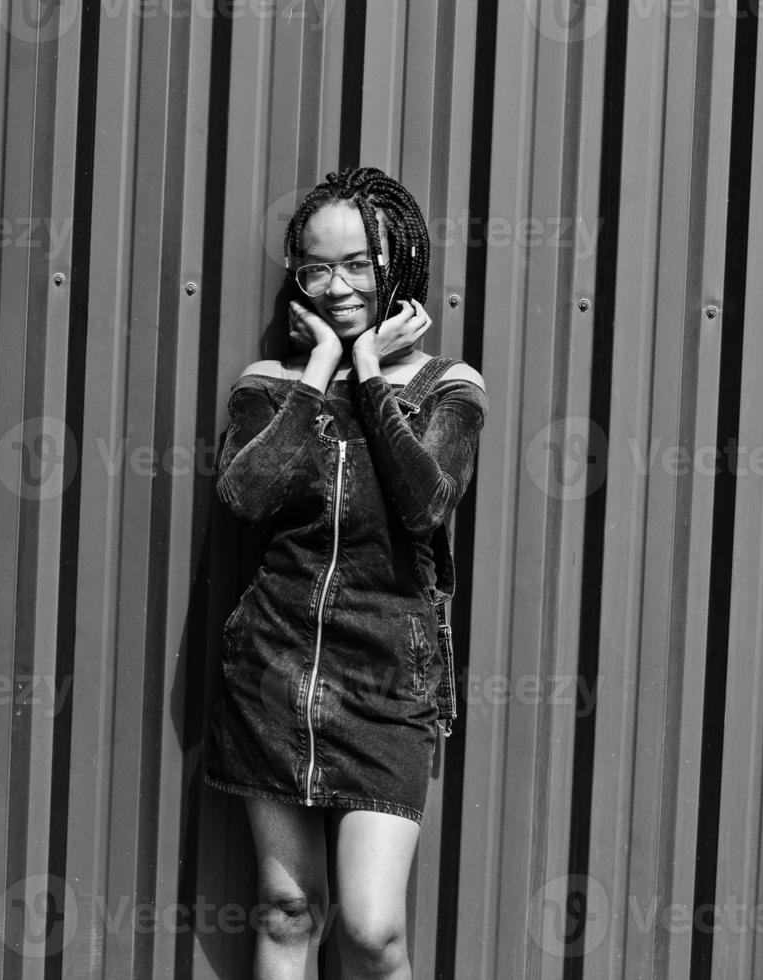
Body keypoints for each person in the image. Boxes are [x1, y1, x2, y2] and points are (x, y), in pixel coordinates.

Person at [203, 166, 489, 978]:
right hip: (272, 667)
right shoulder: (270, 386)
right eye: (317, 267)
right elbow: (246, 494)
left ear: (397, 259)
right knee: (288, 910)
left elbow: (424, 502)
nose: (336, 285)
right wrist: (320, 369)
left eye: (357, 263)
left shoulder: (447, 386)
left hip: (388, 681)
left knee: (370, 931)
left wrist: (367, 371)